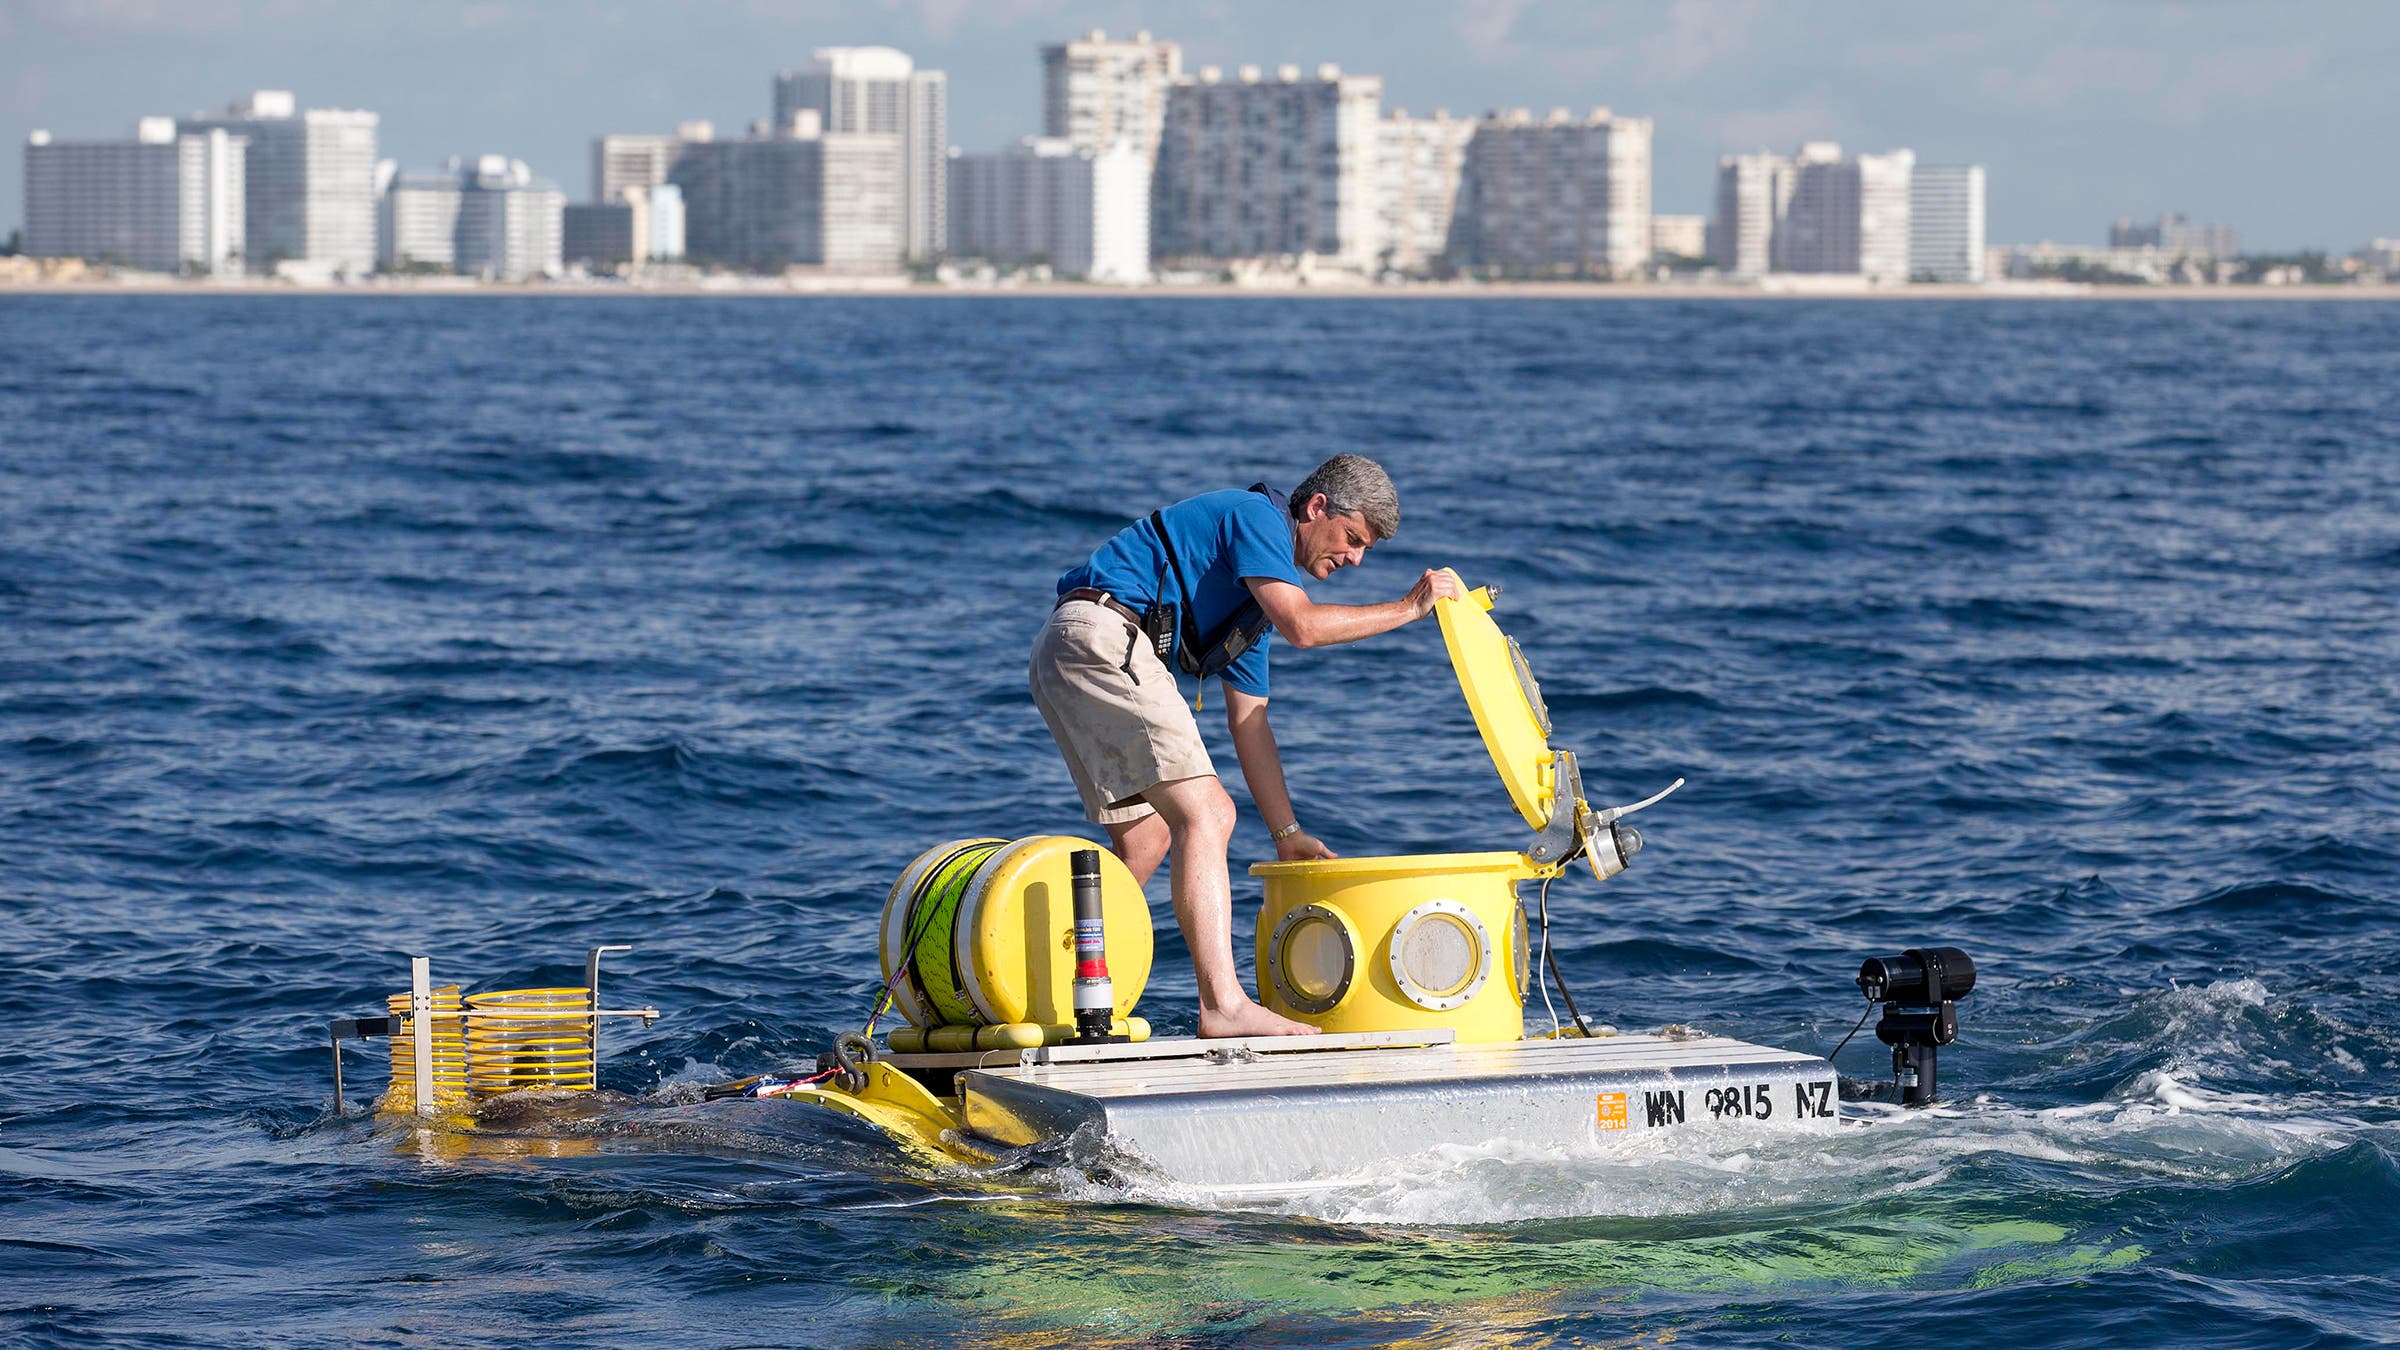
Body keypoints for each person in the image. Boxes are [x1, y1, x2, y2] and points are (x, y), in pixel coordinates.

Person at [1029, 454, 1463, 1038]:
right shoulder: (1257, 517)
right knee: (1209, 814)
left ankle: (1051, 988)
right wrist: (1410, 609)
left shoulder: (1249, 611)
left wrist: (1287, 834)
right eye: (1353, 539)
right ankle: (1223, 1006)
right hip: (1103, 636)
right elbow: (1303, 626)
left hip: (1066, 648)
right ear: (1316, 508)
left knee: (1148, 837)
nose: (1356, 559)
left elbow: (1250, 723)